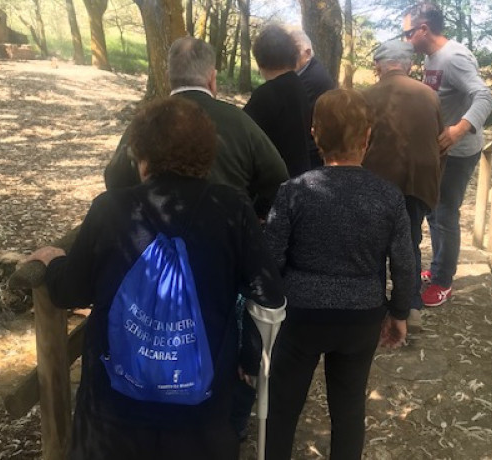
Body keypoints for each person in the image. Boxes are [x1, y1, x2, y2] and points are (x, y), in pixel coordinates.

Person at [27, 97, 286, 460]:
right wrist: (249, 355)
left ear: (140, 154)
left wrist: (53, 263)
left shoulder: (109, 208)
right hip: (200, 416)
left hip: (113, 418)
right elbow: (269, 294)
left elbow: (71, 290)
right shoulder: (232, 209)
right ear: (206, 153)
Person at [264, 89, 415, 460]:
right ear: (367, 137)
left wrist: (273, 303)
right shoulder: (388, 197)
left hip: (301, 316)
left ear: (315, 135)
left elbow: (270, 258)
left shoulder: (294, 191)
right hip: (361, 316)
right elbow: (405, 264)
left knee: (282, 408)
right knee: (349, 408)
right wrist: (398, 313)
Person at [104, 36, 289, 218]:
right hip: (226, 233)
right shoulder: (240, 121)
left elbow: (114, 179)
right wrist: (252, 213)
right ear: (212, 78)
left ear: (168, 77)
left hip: (160, 236)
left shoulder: (146, 121)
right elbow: (278, 177)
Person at [404, 2, 492, 307]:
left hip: (458, 152)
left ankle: (443, 281)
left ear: (423, 29)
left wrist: (458, 130)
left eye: (408, 33)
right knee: (434, 211)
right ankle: (441, 265)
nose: (406, 40)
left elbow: (484, 95)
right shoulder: (432, 57)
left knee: (444, 215)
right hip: (440, 150)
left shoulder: (454, 58)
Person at [362, 40, 443, 332]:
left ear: (378, 66)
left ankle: (374, 308)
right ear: (409, 66)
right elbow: (440, 141)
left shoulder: (366, 96)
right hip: (420, 180)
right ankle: (411, 307)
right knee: (409, 242)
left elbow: (360, 143)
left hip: (379, 182)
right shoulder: (430, 95)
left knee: (374, 244)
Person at [244, 24, 312, 178]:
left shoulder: (266, 95)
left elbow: (243, 138)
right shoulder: (298, 85)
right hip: (299, 176)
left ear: (260, 60)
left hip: (275, 182)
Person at [290, 29, 336, 168]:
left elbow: (296, 118)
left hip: (310, 152)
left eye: (292, 54)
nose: (287, 58)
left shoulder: (313, 79)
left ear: (307, 53)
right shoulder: (304, 73)